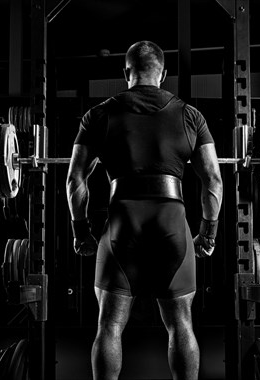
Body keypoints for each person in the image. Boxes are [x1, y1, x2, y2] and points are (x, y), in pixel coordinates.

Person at [66, 40, 223, 380]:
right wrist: (207, 234)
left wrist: (81, 232)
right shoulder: (189, 115)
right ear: (163, 74)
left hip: (123, 219)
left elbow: (74, 179)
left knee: (109, 323)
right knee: (181, 321)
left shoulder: (99, 114)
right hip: (171, 221)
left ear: (126, 73)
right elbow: (213, 180)